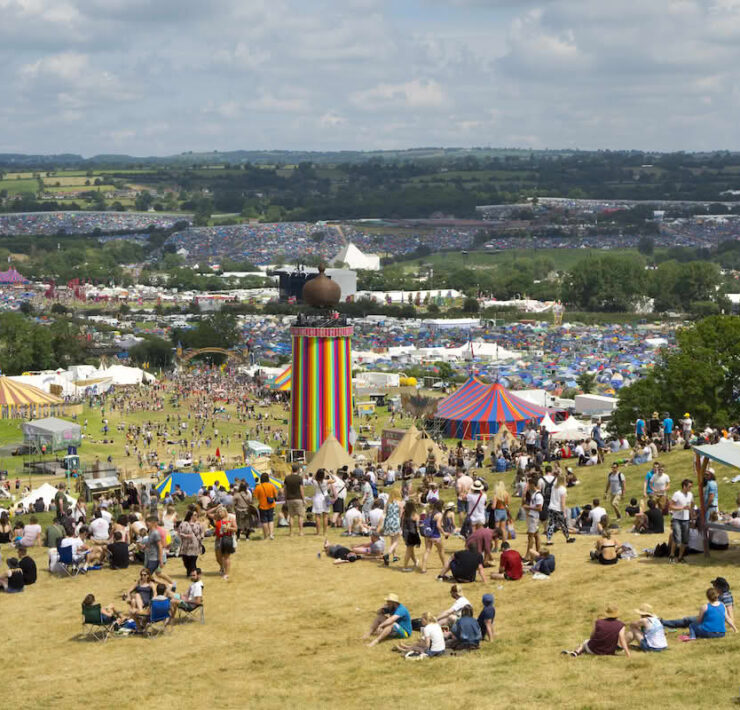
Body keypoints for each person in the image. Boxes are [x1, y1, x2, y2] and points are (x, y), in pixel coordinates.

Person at [662, 577, 735, 630]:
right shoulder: (722, 595)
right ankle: (665, 624)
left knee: (687, 620)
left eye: (714, 586)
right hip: (711, 618)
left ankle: (663, 622)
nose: (713, 587)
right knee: (688, 621)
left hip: (712, 620)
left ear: (719, 588)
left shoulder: (726, 597)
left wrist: (729, 626)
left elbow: (730, 614)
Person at [563, 603, 631, 658]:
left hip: (594, 649)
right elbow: (622, 640)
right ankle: (577, 651)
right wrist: (628, 654)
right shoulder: (621, 625)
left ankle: (576, 652)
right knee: (586, 644)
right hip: (609, 652)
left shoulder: (598, 622)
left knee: (585, 642)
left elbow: (592, 636)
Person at [669, 478, 693, 564]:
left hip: (686, 520)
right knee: (677, 538)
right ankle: (672, 556)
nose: (691, 488)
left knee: (685, 540)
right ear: (684, 486)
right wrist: (682, 508)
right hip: (677, 519)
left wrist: (692, 516)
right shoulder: (677, 494)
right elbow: (671, 506)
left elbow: (691, 505)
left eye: (691, 486)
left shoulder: (690, 494)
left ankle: (680, 557)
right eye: (689, 486)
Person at [545, 471, 574, 544]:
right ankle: (567, 538)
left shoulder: (554, 487)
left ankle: (548, 540)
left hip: (551, 507)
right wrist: (564, 512)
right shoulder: (563, 489)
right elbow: (562, 503)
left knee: (551, 524)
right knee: (563, 524)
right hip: (558, 509)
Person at [420, 500, 445, 574]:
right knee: (441, 550)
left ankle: (423, 568)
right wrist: (444, 533)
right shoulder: (439, 514)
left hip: (428, 535)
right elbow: (438, 526)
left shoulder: (429, 512)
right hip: (436, 536)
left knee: (427, 550)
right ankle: (445, 565)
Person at [213, 506, 236, 580]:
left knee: (226, 557)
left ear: (225, 512)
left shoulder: (230, 519)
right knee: (218, 557)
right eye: (218, 512)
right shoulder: (217, 520)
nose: (220, 513)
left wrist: (228, 528)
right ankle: (222, 567)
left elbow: (235, 529)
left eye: (221, 511)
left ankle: (226, 573)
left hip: (227, 539)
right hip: (218, 539)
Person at [522, 479, 543, 560]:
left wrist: (528, 507)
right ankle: (538, 553)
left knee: (530, 536)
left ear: (532, 484)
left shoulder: (538, 495)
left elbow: (539, 508)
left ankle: (528, 555)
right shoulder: (534, 494)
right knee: (536, 535)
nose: (528, 486)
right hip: (533, 517)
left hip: (534, 517)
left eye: (529, 484)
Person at [381, 488, 403, 567]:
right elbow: (400, 515)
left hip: (388, 522)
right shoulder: (400, 503)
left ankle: (394, 556)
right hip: (395, 522)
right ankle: (388, 554)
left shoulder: (388, 503)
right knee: (396, 540)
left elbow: (384, 512)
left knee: (392, 540)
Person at [254, 473, 278, 540]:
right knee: (271, 520)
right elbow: (276, 495)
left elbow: (255, 497)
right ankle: (271, 534)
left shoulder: (258, 487)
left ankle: (266, 536)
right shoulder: (272, 486)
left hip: (262, 506)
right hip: (271, 505)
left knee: (264, 521)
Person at [283, 464, 306, 537]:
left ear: (292, 469)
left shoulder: (287, 478)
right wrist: (303, 499)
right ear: (298, 470)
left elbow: (285, 490)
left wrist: (285, 499)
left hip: (290, 499)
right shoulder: (299, 478)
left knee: (291, 516)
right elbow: (301, 489)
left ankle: (291, 532)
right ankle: (301, 532)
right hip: (298, 498)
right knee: (300, 516)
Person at [179, 509, 203, 576]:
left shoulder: (198, 524)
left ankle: (193, 575)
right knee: (186, 561)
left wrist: (201, 538)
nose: (196, 516)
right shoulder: (184, 524)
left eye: (197, 515)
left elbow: (201, 533)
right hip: (185, 546)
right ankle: (191, 571)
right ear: (190, 516)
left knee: (193, 561)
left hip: (195, 545)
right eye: (195, 515)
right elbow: (180, 533)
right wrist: (186, 536)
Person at [400, 500, 421, 572]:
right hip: (412, 534)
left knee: (411, 549)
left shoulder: (404, 514)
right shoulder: (414, 514)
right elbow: (418, 525)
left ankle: (415, 561)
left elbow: (401, 524)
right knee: (409, 550)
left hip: (405, 533)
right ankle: (405, 567)